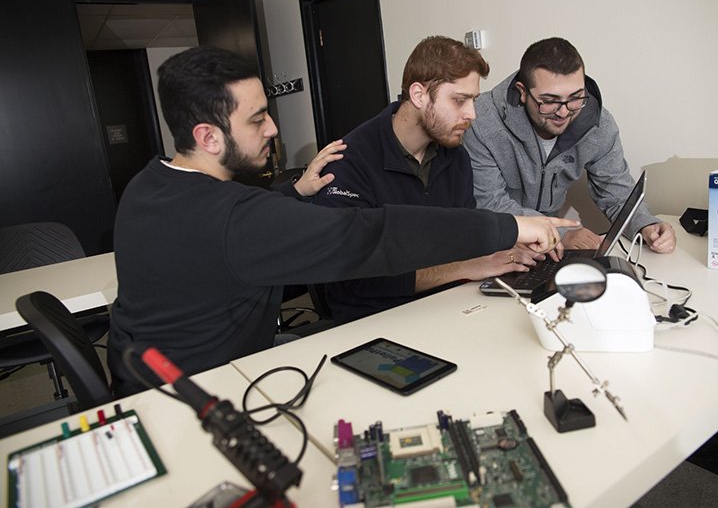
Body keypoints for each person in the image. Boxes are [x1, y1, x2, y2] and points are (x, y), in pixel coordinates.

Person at [108, 46, 578, 396]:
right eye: (257, 120)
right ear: (208, 137)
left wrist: (290, 194)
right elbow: (371, 235)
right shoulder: (236, 218)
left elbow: (233, 241)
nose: (273, 128)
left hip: (146, 374)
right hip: (194, 397)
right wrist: (511, 226)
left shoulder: (148, 186)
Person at [313, 36, 547, 325]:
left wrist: (502, 252)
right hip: (372, 322)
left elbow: (463, 241)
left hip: (446, 307)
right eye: (459, 100)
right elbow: (355, 282)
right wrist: (466, 267)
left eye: (473, 100)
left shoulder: (455, 156)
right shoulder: (348, 163)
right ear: (419, 94)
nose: (471, 114)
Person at [462, 37, 676, 254]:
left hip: (548, 250)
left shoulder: (598, 124)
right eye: (549, 101)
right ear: (523, 92)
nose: (563, 112)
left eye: (575, 98)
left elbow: (616, 190)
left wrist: (646, 225)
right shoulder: (480, 121)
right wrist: (560, 233)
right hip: (496, 242)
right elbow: (489, 203)